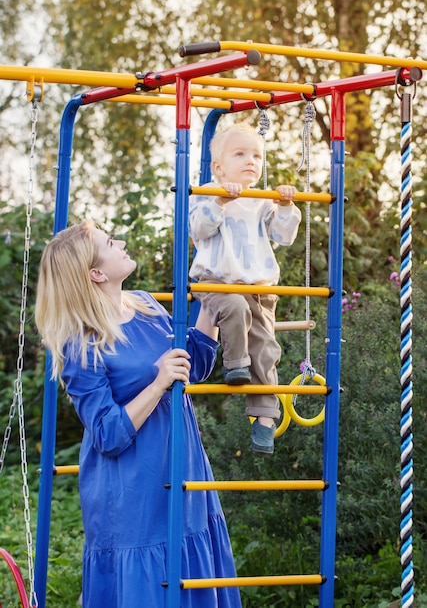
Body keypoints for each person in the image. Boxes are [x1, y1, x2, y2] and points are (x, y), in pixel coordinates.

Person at [35, 221, 242, 608]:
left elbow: (191, 366)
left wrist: (212, 307)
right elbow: (107, 434)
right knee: (146, 588)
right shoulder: (82, 344)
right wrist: (158, 381)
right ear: (96, 273)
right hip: (131, 489)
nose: (123, 243)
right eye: (112, 243)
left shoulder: (146, 303)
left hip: (181, 468)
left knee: (191, 574)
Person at [189, 122, 302, 455]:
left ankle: (265, 422)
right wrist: (221, 200)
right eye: (240, 154)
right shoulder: (208, 192)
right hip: (216, 284)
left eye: (256, 155)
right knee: (235, 308)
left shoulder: (261, 199)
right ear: (219, 167)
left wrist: (284, 206)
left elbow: (284, 236)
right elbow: (198, 227)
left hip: (259, 290)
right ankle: (234, 363)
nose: (251, 160)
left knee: (265, 352)